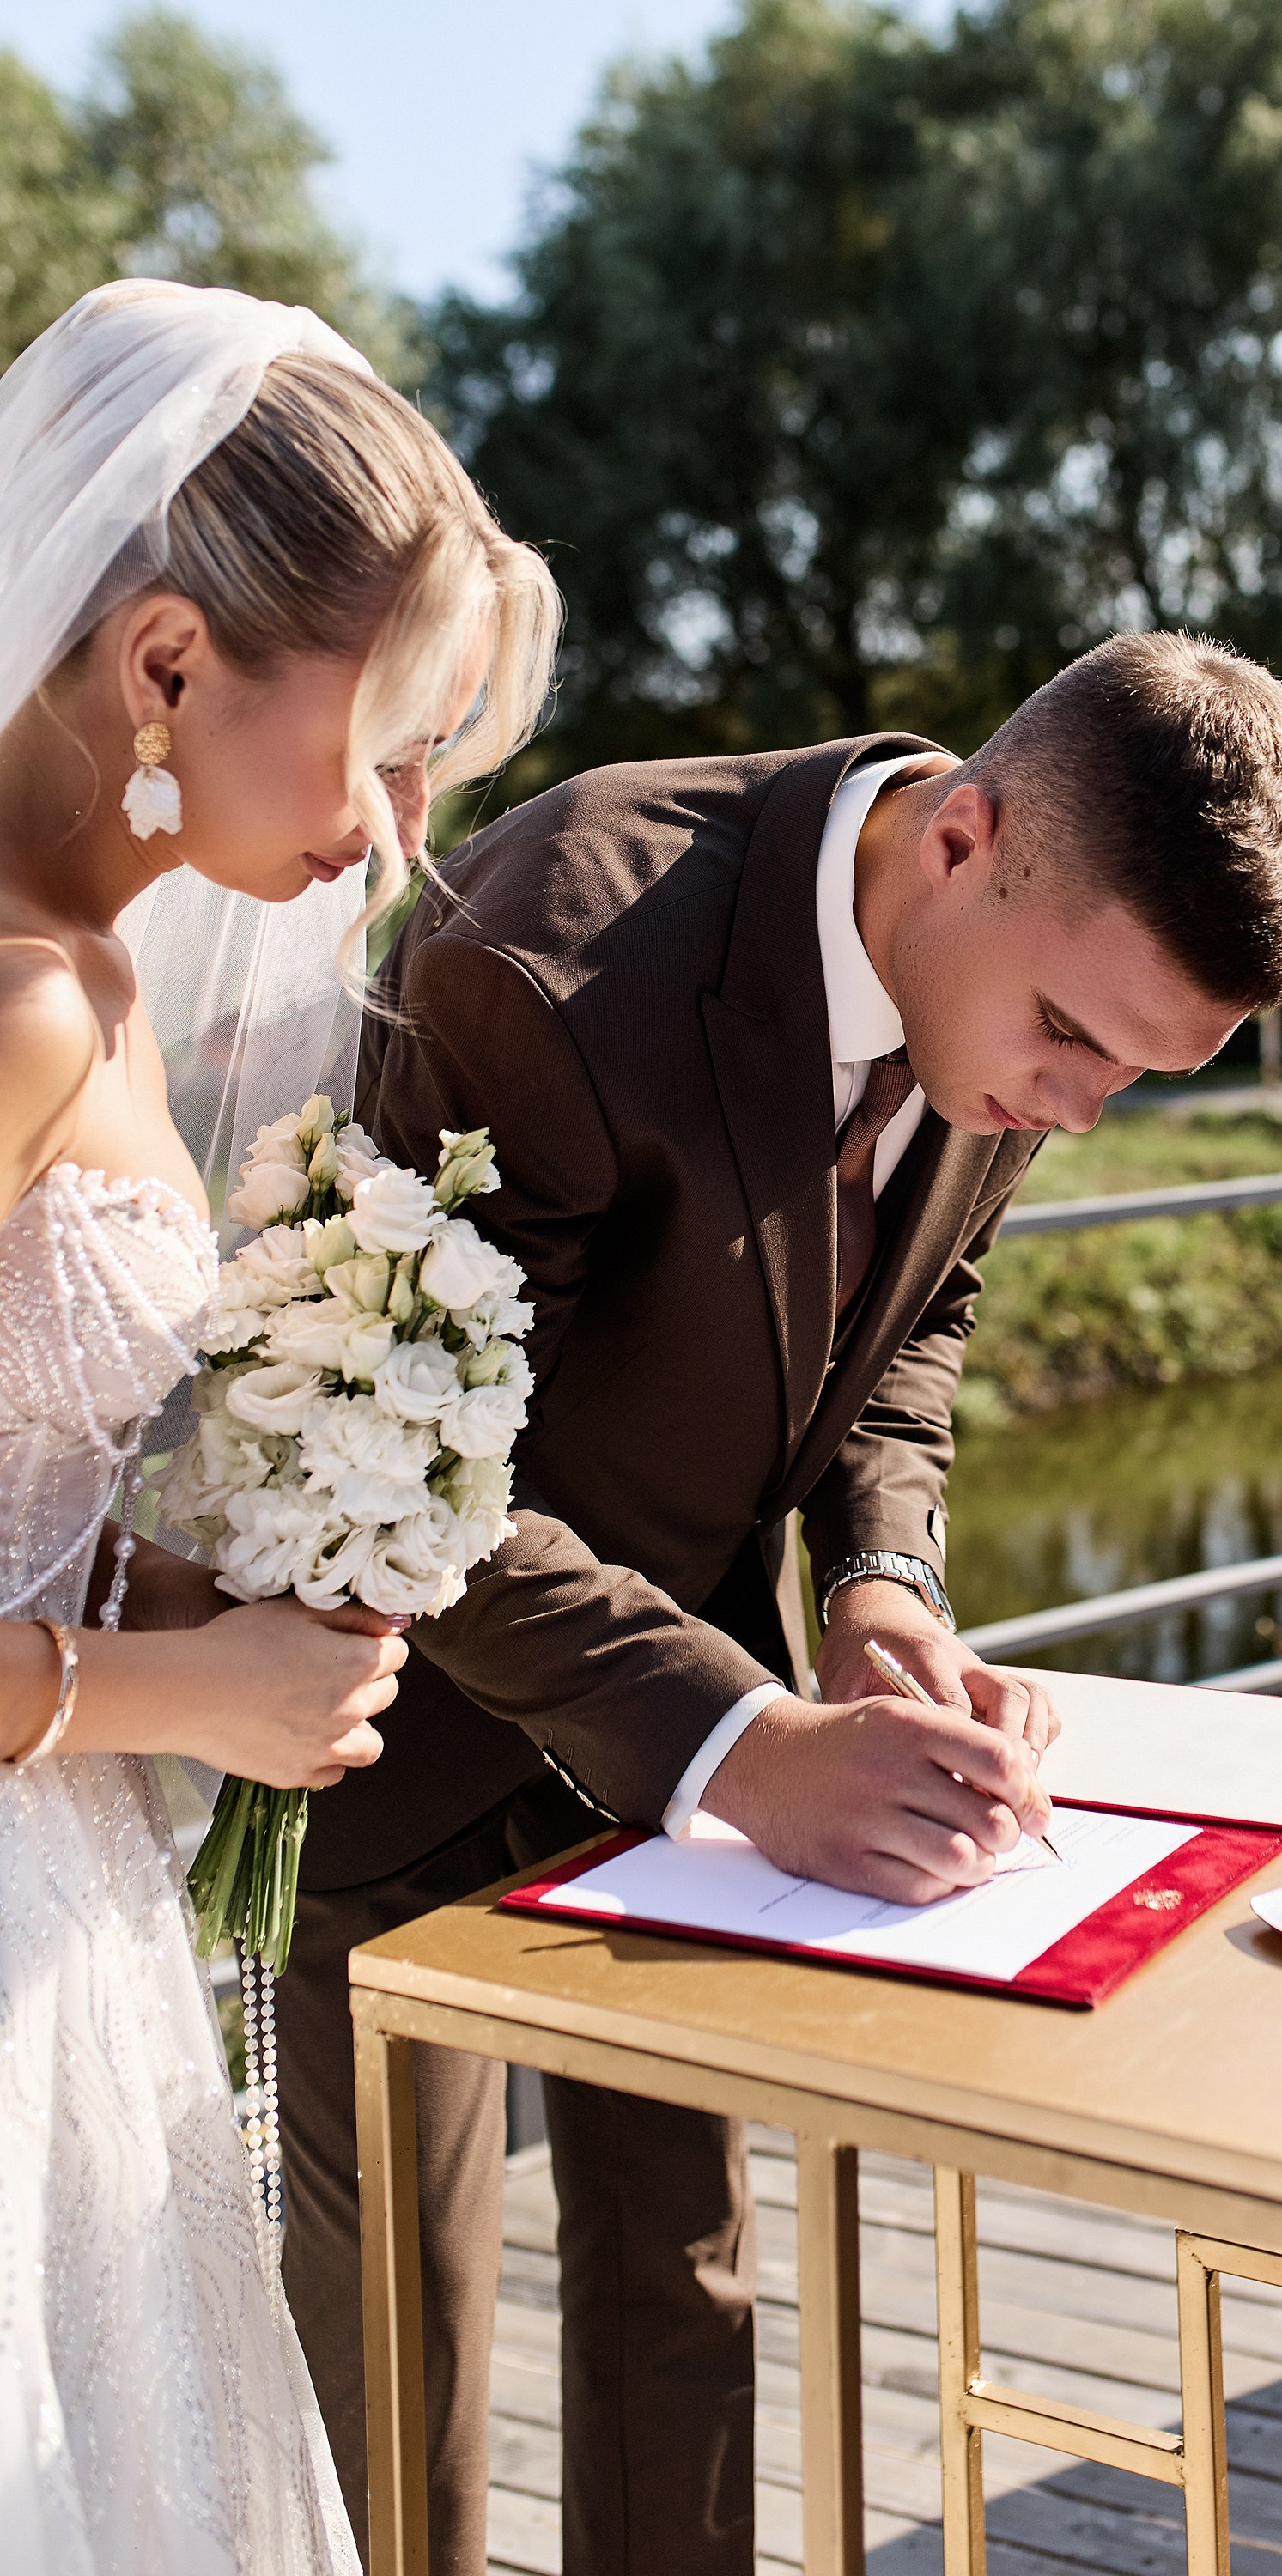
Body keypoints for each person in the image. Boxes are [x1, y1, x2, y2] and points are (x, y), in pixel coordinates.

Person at [277, 630, 1282, 2575]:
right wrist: (747, 1746)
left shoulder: (1006, 988)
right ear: (961, 840)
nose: (1077, 1111)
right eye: (1078, 1043)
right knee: (397, 2345)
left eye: (1135, 1074)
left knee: (686, 2290)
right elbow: (391, 1474)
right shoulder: (549, 961)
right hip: (397, 1726)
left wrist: (878, 1583)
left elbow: (915, 1322)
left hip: (710, 1736)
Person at [0, 277, 556, 2576]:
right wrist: (187, 1689)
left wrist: (184, 1573)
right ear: (162, 667)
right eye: (388, 733)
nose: (405, 830)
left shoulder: (93, 967)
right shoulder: (22, 1003)